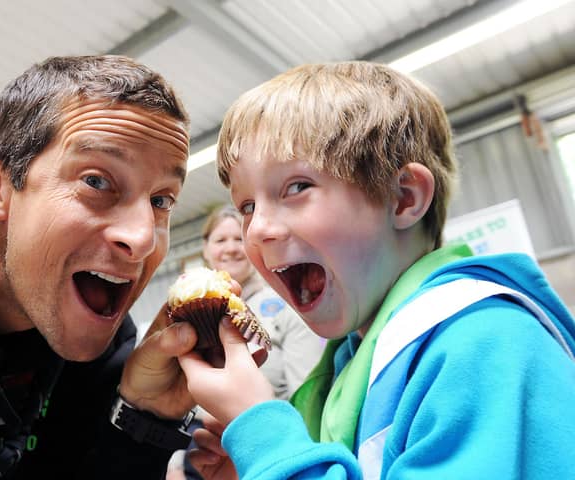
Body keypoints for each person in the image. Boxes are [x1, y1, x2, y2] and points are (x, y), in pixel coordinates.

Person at [178, 61, 575, 479]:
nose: (256, 231)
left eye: (296, 188)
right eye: (247, 207)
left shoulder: (486, 342)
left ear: (403, 198)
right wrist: (254, 467)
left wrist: (268, 440)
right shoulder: (349, 367)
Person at [0, 55, 203, 479]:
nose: (142, 239)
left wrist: (145, 415)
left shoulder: (108, 345)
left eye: (160, 201)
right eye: (96, 182)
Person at [169, 204, 324, 479]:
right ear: (205, 249)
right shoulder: (187, 315)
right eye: (220, 240)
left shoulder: (284, 304)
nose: (230, 248)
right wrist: (177, 461)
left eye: (238, 239)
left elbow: (309, 396)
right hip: (204, 456)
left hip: (272, 448)